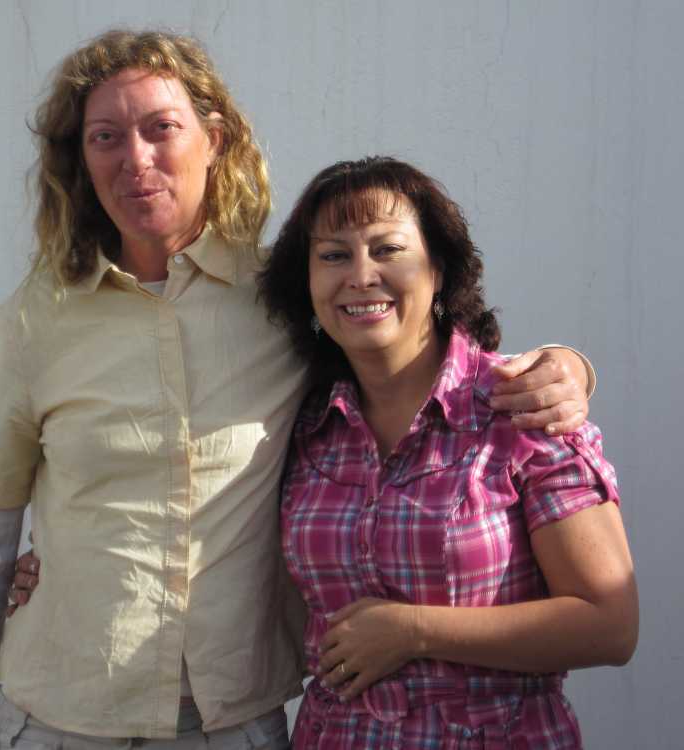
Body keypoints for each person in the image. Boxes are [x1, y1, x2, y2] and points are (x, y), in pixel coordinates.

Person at [0, 29, 596, 750]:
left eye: (161, 128)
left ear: (213, 140)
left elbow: (415, 352)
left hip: (234, 728)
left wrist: (570, 366)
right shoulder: (35, 322)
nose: (136, 159)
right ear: (81, 160)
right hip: (58, 723)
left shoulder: (287, 299)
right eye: (105, 137)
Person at [255, 156, 638, 748]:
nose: (361, 275)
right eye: (333, 255)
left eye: (388, 250)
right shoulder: (303, 425)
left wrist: (414, 630)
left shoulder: (522, 408)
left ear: (437, 268)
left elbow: (609, 624)